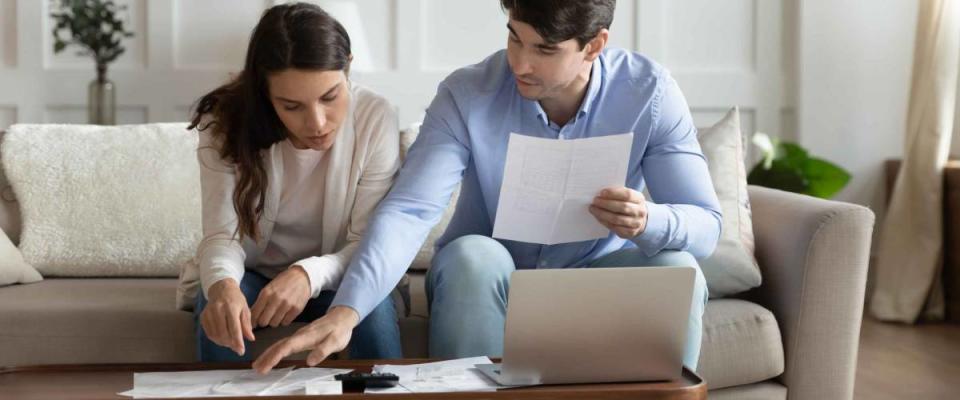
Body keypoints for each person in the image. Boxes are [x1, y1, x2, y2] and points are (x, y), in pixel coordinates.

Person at [253, 0, 721, 373]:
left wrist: (649, 219)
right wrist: (346, 312)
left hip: (595, 280)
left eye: (544, 49)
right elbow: (410, 210)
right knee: (473, 256)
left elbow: (706, 226)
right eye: (515, 38)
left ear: (594, 45)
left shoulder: (649, 94)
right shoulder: (468, 93)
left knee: (679, 267)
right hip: (487, 279)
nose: (520, 62)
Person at [180, 2, 403, 362]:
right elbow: (223, 236)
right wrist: (223, 286)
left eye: (330, 97)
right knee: (219, 302)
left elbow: (367, 243)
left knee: (370, 309)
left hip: (341, 277)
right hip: (253, 274)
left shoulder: (376, 117)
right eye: (291, 106)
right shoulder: (224, 122)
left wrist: (306, 275)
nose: (317, 123)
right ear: (265, 96)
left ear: (348, 65)